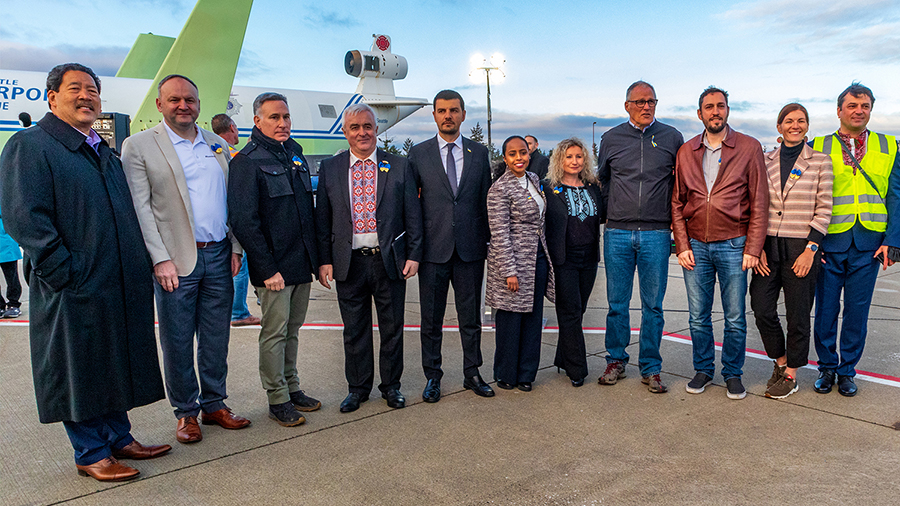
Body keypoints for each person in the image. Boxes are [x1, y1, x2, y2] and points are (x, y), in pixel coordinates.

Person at [0, 63, 169, 482]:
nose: (86, 96)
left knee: (110, 361)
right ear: (52, 96)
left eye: (92, 89)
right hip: (73, 284)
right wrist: (64, 271)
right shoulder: (30, 146)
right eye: (74, 88)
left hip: (114, 281)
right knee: (79, 368)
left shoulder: (103, 152)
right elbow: (26, 218)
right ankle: (90, 451)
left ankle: (117, 437)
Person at [122, 74, 251, 444]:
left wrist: (236, 249)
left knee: (215, 338)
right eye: (175, 99)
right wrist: (159, 259)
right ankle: (186, 412)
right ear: (160, 105)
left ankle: (214, 404)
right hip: (176, 261)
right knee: (178, 342)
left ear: (198, 104)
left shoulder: (215, 144)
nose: (184, 105)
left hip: (219, 255)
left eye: (190, 100)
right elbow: (140, 208)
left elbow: (233, 201)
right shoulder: (140, 145)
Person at [315, 103, 423, 413]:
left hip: (387, 260)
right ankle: (358, 388)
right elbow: (323, 218)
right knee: (354, 330)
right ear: (345, 132)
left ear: (376, 129)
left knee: (392, 328)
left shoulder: (399, 166)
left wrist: (413, 254)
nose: (362, 132)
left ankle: (391, 386)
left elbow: (412, 215)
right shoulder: (331, 169)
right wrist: (325, 260)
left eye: (367, 126)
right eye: (355, 127)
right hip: (348, 263)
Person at [228, 92, 322, 426]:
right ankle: (277, 398)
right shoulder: (246, 162)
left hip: (299, 263)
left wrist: (317, 260)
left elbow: (305, 213)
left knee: (293, 330)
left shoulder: (294, 154)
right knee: (274, 333)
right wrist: (267, 269)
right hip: (274, 269)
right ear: (257, 121)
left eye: (286, 117)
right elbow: (244, 221)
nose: (282, 124)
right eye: (274, 118)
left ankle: (292, 387)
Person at [672, 86, 768, 400]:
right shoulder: (686, 152)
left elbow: (760, 201)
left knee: (735, 316)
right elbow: (676, 202)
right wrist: (682, 244)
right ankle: (702, 369)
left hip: (734, 244)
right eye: (709, 107)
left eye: (721, 106)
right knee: (697, 316)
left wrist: (753, 248)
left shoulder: (749, 147)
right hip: (695, 245)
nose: (716, 111)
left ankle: (733, 373)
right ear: (700, 114)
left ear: (728, 110)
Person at [811, 83, 900, 397]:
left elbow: (896, 196)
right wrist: (810, 244)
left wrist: (892, 240)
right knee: (825, 310)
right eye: (852, 105)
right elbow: (808, 195)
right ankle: (826, 368)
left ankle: (847, 371)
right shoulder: (818, 144)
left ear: (871, 109)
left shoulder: (890, 145)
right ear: (839, 110)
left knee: (857, 312)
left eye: (864, 106)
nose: (858, 111)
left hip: (869, 244)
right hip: (828, 242)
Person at [597, 81, 684, 393]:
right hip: (618, 232)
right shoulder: (611, 138)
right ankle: (616, 360)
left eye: (651, 101)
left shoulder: (672, 137)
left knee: (653, 306)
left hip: (656, 233)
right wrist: (610, 215)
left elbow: (679, 184)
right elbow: (603, 180)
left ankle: (651, 367)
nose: (646, 107)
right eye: (639, 102)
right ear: (627, 106)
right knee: (617, 304)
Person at [408, 90, 494, 402]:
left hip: (470, 250)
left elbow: (485, 200)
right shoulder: (419, 155)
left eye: (454, 110)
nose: (448, 116)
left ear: (463, 114)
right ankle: (433, 376)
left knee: (470, 318)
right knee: (431, 319)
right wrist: (414, 250)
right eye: (442, 111)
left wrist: (489, 243)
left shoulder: (479, 153)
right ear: (434, 115)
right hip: (433, 251)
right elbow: (411, 208)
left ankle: (472, 372)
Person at [750, 103, 833, 399]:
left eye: (800, 121)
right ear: (779, 127)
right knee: (761, 308)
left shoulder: (821, 161)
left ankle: (792, 374)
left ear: (807, 126)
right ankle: (780, 361)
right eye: (788, 120)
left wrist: (811, 249)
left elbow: (824, 209)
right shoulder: (765, 159)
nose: (794, 125)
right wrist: (756, 246)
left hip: (802, 247)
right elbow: (756, 204)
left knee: (798, 315)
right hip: (768, 246)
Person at [486, 135, 556, 391]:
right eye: (513, 154)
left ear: (530, 154)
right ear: (505, 158)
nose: (519, 158)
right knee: (510, 322)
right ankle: (506, 374)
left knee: (532, 319)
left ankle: (526, 374)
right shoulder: (499, 189)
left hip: (536, 259)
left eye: (523, 153)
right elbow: (499, 232)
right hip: (512, 265)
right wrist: (509, 271)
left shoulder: (534, 180)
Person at [543, 137, 602, 387]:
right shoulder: (549, 188)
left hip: (589, 258)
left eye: (579, 156)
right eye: (569, 157)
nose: (574, 161)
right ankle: (577, 369)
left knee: (579, 311)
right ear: (559, 160)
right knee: (569, 311)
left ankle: (562, 357)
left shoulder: (592, 187)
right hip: (563, 259)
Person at [212, 114, 259, 328]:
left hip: (217, 224)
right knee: (240, 266)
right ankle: (238, 311)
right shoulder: (235, 156)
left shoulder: (211, 152)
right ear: (232, 127)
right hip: (235, 221)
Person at [0, 207, 23, 318]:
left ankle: (14, 304)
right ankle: (0, 305)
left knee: (11, 276)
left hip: (5, 239)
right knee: (11, 275)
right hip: (5, 239)